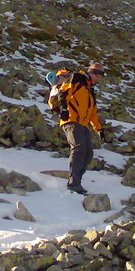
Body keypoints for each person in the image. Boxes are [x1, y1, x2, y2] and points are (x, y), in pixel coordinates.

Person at [50, 61, 106, 194]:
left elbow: (93, 113)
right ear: (93, 72)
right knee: (79, 148)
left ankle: (77, 181)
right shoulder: (78, 79)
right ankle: (73, 183)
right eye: (99, 74)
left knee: (88, 154)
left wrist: (99, 129)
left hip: (82, 124)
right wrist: (64, 110)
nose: (100, 78)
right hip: (71, 120)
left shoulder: (89, 90)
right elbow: (64, 92)